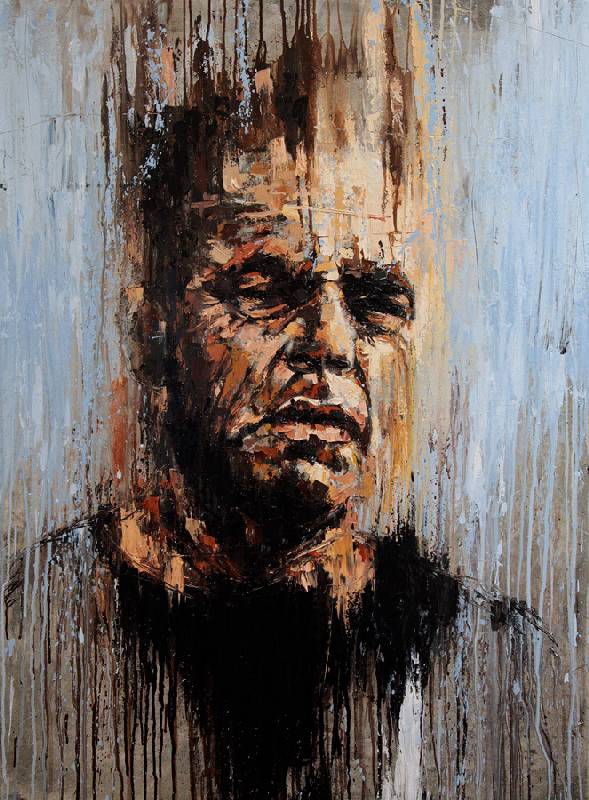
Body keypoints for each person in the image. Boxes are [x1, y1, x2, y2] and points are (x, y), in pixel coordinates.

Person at [4, 3, 567, 798]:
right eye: (266, 286)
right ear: (152, 320)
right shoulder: (31, 642)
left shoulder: (492, 666)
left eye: (373, 302)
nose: (332, 342)